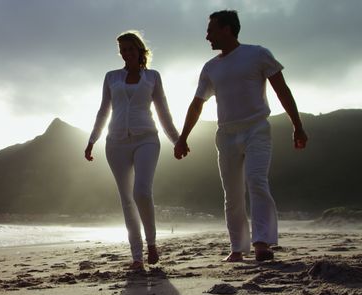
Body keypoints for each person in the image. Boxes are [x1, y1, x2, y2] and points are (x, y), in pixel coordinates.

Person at [174, 10, 308, 262]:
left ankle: (262, 243)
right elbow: (196, 104)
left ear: (227, 29)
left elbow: (282, 90)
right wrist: (183, 137)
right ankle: (237, 247)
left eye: (211, 30)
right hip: (226, 134)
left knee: (257, 181)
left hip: (256, 129)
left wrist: (297, 126)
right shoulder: (211, 67)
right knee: (232, 193)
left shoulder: (257, 54)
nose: (207, 36)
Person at [85, 31, 180, 270]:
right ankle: (137, 256)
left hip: (146, 138)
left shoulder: (152, 77)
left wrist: (177, 139)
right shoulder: (111, 77)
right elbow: (103, 111)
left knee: (142, 192)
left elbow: (163, 111)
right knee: (127, 199)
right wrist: (92, 139)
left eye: (130, 48)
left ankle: (151, 243)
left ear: (139, 50)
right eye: (123, 49)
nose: (126, 53)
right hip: (115, 142)